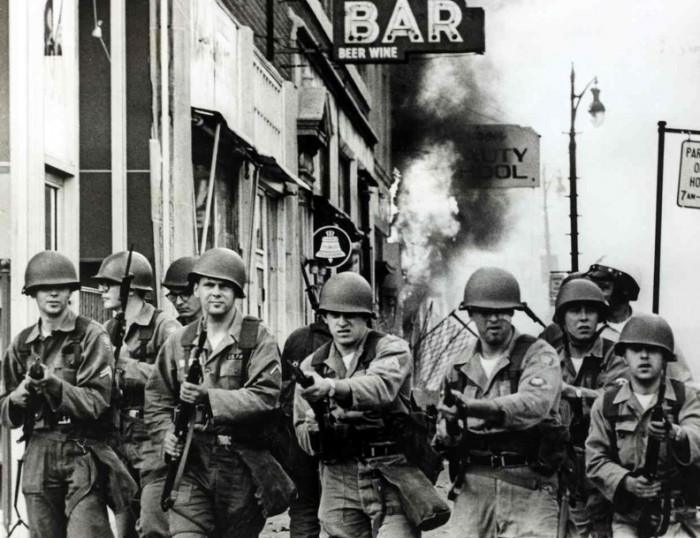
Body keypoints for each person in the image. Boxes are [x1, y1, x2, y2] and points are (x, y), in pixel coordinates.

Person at [145, 247, 295, 537]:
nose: (215, 293)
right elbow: (157, 398)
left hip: (241, 463)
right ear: (196, 289)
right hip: (192, 461)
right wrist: (166, 434)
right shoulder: (180, 341)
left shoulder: (257, 338)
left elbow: (265, 396)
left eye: (224, 286)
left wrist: (208, 397)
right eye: (209, 285)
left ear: (237, 292)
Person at [294, 272, 449, 538]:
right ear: (325, 318)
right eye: (334, 315)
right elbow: (302, 434)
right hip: (339, 479)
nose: (342, 322)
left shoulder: (391, 349)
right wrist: (314, 429)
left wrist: (331, 387)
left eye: (350, 315)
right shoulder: (312, 366)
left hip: (391, 473)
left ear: (366, 316)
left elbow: (380, 387)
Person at [0, 251, 136, 536]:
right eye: (44, 288)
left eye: (60, 287)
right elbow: (5, 410)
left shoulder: (91, 336)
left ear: (70, 292)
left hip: (81, 449)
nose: (53, 294)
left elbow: (96, 402)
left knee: (87, 531)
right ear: (33, 293)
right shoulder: (22, 345)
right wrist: (17, 398)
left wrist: (54, 385)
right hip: (38, 450)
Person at [435, 266, 566, 538]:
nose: (494, 318)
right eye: (484, 312)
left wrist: (471, 408)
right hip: (474, 484)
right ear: (471, 313)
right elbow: (443, 437)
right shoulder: (458, 366)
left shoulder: (537, 354)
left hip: (528, 484)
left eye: (502, 311)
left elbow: (534, 404)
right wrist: (449, 428)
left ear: (513, 312)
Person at [586, 314, 700, 537]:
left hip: (677, 517)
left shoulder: (683, 397)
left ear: (665, 357)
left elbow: (697, 433)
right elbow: (595, 459)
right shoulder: (607, 404)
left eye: (653, 350)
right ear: (624, 355)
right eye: (636, 349)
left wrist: (676, 433)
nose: (644, 356)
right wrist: (627, 482)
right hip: (628, 517)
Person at [95, 250, 181, 538]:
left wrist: (127, 367)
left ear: (129, 287)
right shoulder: (109, 329)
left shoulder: (165, 327)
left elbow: (179, 379)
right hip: (118, 433)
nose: (101, 289)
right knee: (125, 525)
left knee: (155, 523)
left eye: (108, 283)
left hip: (152, 434)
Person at [552, 279, 627, 537]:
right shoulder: (550, 358)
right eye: (575, 311)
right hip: (564, 463)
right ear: (562, 319)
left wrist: (571, 392)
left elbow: (616, 400)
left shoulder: (616, 354)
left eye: (590, 310)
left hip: (606, 460)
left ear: (600, 317)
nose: (583, 318)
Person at [584, 258, 693, 383]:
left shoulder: (652, 328)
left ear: (625, 288)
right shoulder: (588, 329)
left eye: (604, 286)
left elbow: (683, 381)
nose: (597, 293)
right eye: (595, 285)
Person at [278, 317, 331, 538]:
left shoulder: (296, 338)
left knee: (304, 508)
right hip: (331, 439)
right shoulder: (347, 342)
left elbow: (283, 385)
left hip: (296, 436)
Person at [162, 256, 202, 325]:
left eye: (185, 294)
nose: (178, 302)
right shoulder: (173, 328)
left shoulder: (219, 326)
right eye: (173, 296)